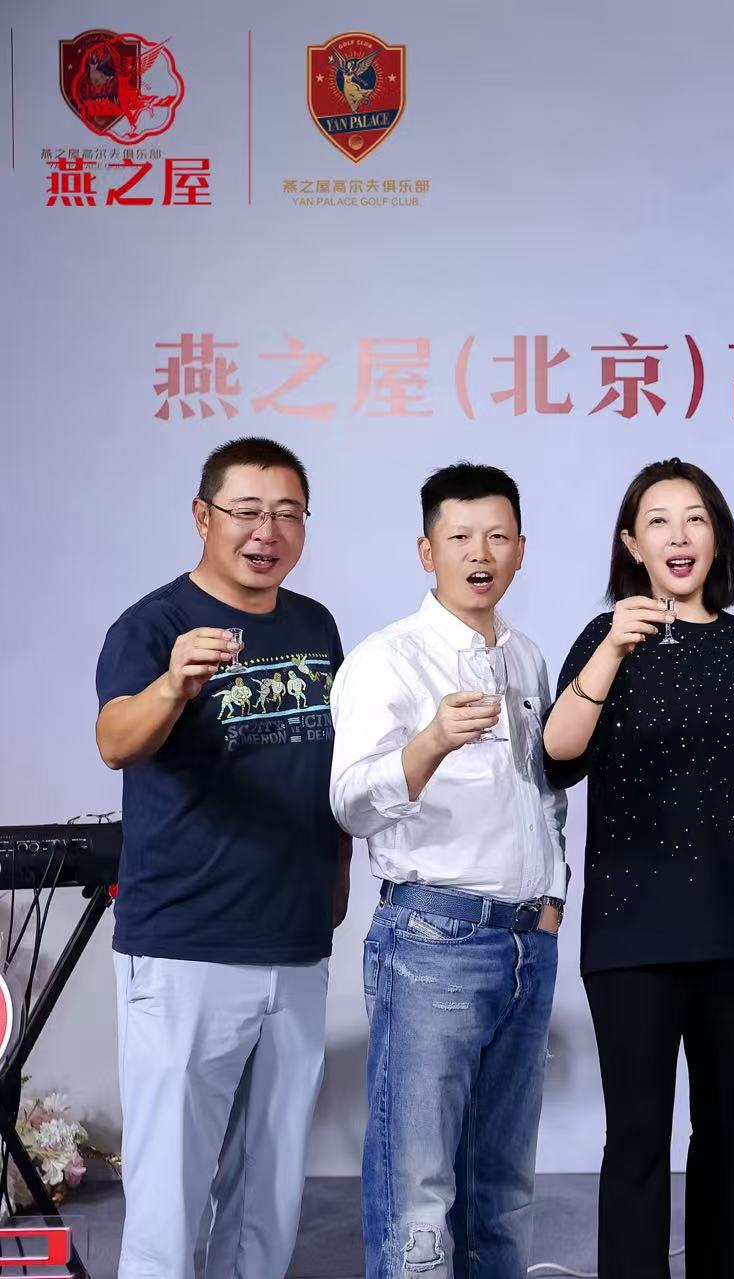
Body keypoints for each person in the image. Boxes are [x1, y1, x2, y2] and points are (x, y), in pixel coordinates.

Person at [94, 436, 346, 1279]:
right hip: (185, 945)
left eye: (287, 513)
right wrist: (173, 684)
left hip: (296, 943)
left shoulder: (315, 625)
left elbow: (331, 760)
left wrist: (338, 871)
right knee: (168, 1197)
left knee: (268, 1196)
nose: (266, 531)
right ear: (203, 516)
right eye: (246, 511)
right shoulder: (153, 624)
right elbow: (114, 740)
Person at [543, 458, 734, 1279]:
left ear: (716, 537)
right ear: (632, 543)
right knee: (639, 1135)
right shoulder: (606, 636)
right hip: (633, 933)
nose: (678, 536)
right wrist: (615, 645)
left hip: (730, 928)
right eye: (658, 520)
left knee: (728, 1128)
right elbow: (557, 751)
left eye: (695, 519)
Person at [329, 463, 567, 1279]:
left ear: (521, 549)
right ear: (427, 551)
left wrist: (552, 898)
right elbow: (350, 803)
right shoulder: (387, 658)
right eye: (461, 537)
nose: (480, 553)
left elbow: (546, 791)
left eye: (498, 536)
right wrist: (430, 741)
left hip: (525, 943)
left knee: (503, 1188)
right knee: (418, 1191)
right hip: (432, 938)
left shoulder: (527, 657)